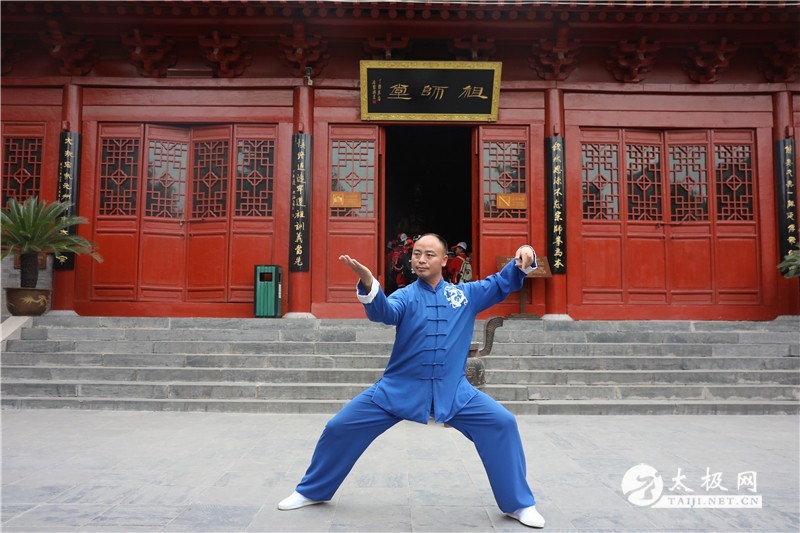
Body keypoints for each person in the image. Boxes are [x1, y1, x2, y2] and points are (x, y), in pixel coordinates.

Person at [278, 233, 545, 529]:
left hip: (453, 392)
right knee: (339, 427)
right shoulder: (404, 296)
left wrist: (525, 251)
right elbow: (384, 312)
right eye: (417, 253)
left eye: (429, 255)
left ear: (444, 260)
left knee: (502, 423)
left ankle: (519, 504)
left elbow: (501, 282)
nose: (421, 259)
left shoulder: (465, 295)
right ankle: (311, 491)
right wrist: (368, 282)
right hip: (397, 389)